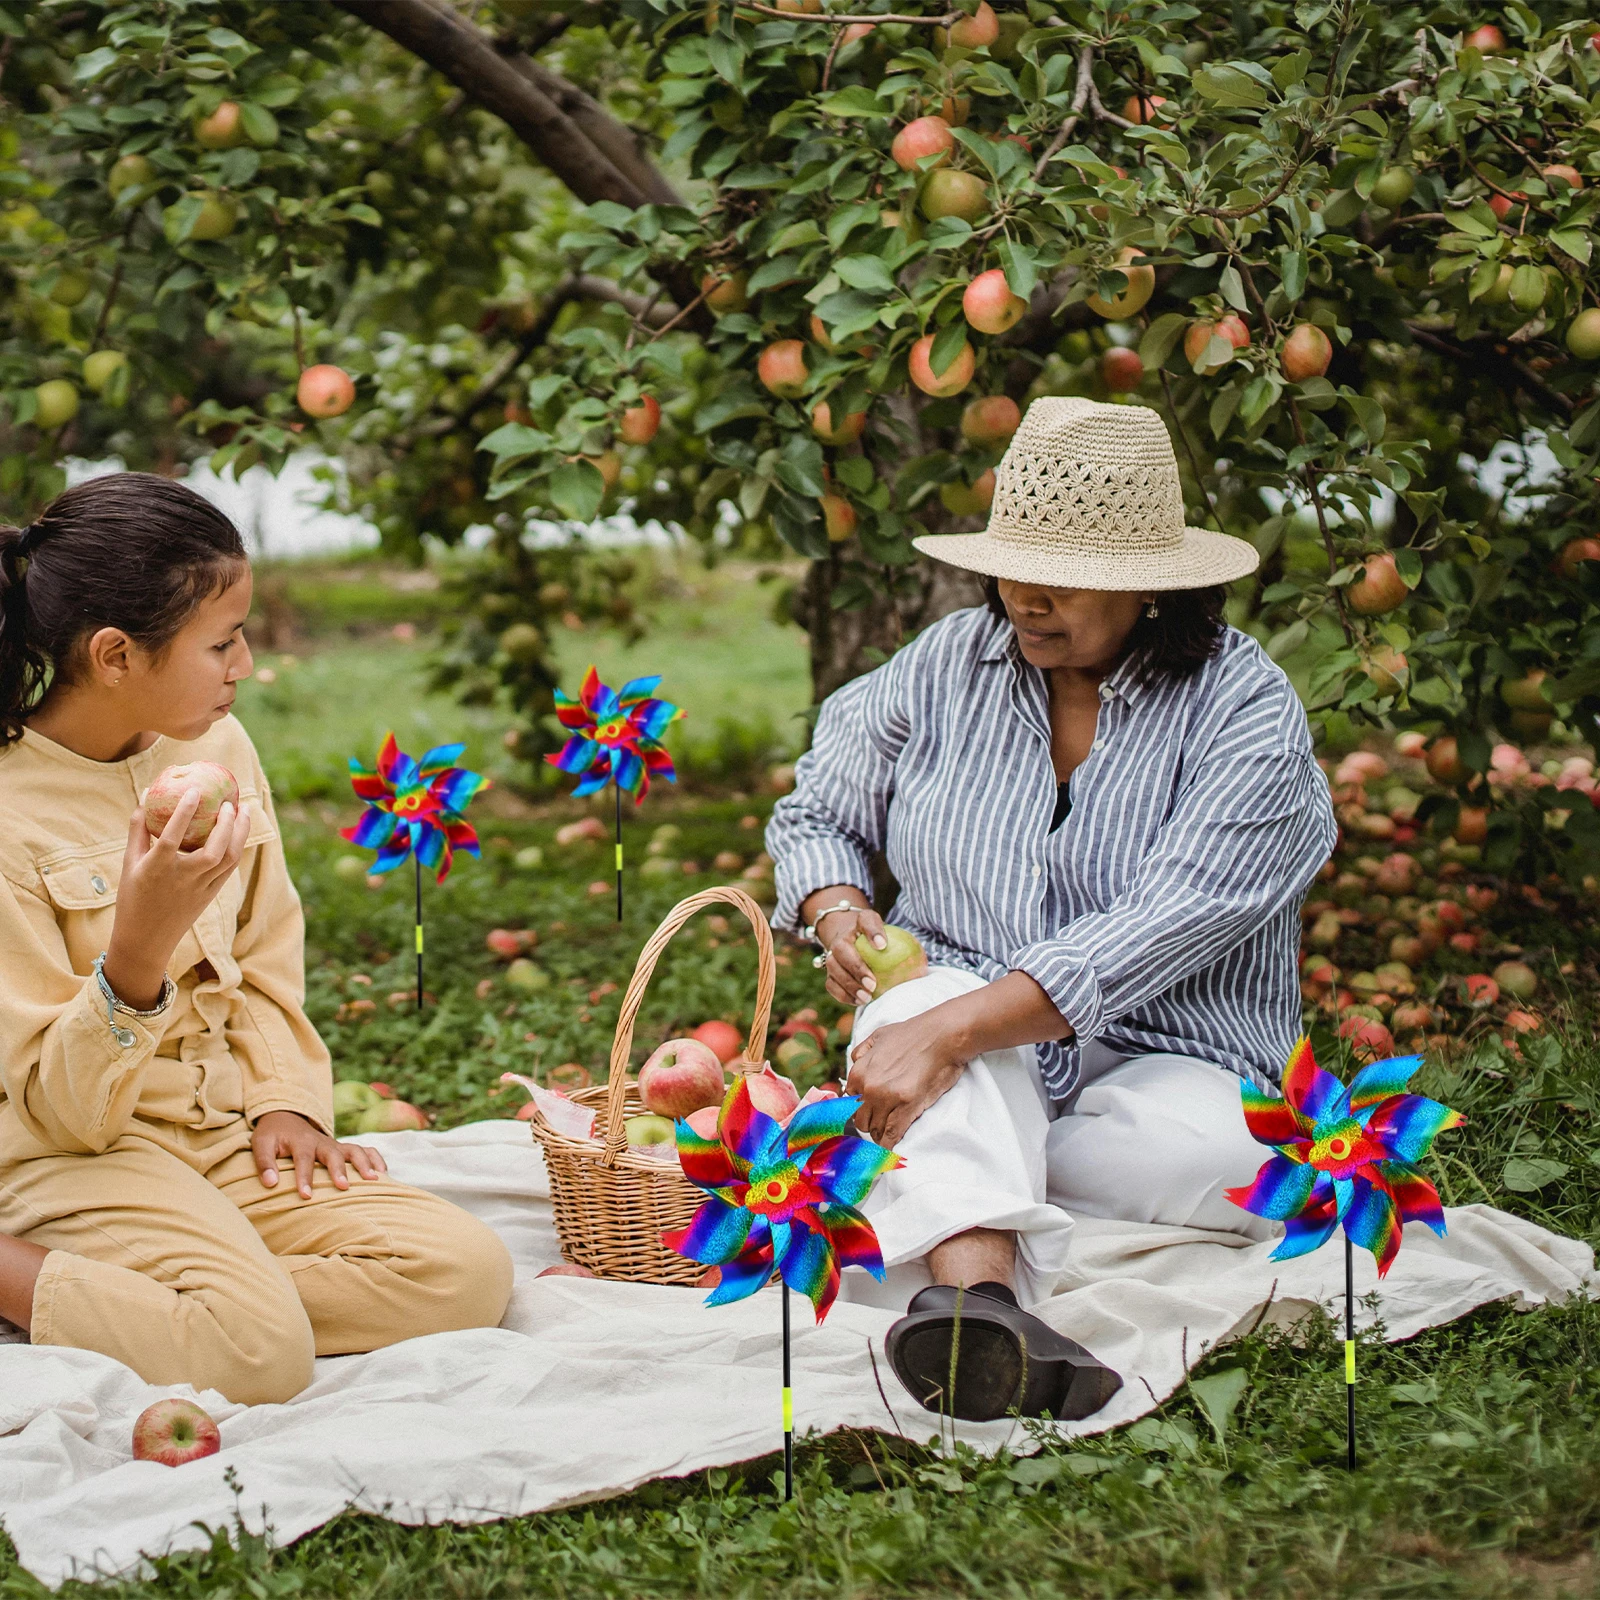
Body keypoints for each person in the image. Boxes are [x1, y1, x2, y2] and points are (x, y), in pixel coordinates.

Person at [767, 397, 1338, 1422]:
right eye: (1010, 565)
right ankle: (980, 1303)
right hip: (959, 1001)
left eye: (1063, 577)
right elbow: (819, 809)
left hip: (1174, 1048)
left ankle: (942, 1163)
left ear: (1151, 589)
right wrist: (839, 906)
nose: (1024, 596)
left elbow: (1174, 912)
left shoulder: (1243, 709)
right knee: (922, 1012)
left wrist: (951, 1035)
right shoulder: (946, 663)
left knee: (1221, 1158)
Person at [0, 474, 512, 1405]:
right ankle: (23, 1271)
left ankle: (183, 1301)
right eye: (222, 642)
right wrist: (138, 952)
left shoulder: (217, 752)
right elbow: (61, 1113)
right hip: (74, 1152)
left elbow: (269, 949)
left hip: (217, 1129)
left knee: (465, 1271)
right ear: (117, 655)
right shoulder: (8, 812)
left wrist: (286, 1102)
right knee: (258, 1358)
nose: (244, 664)